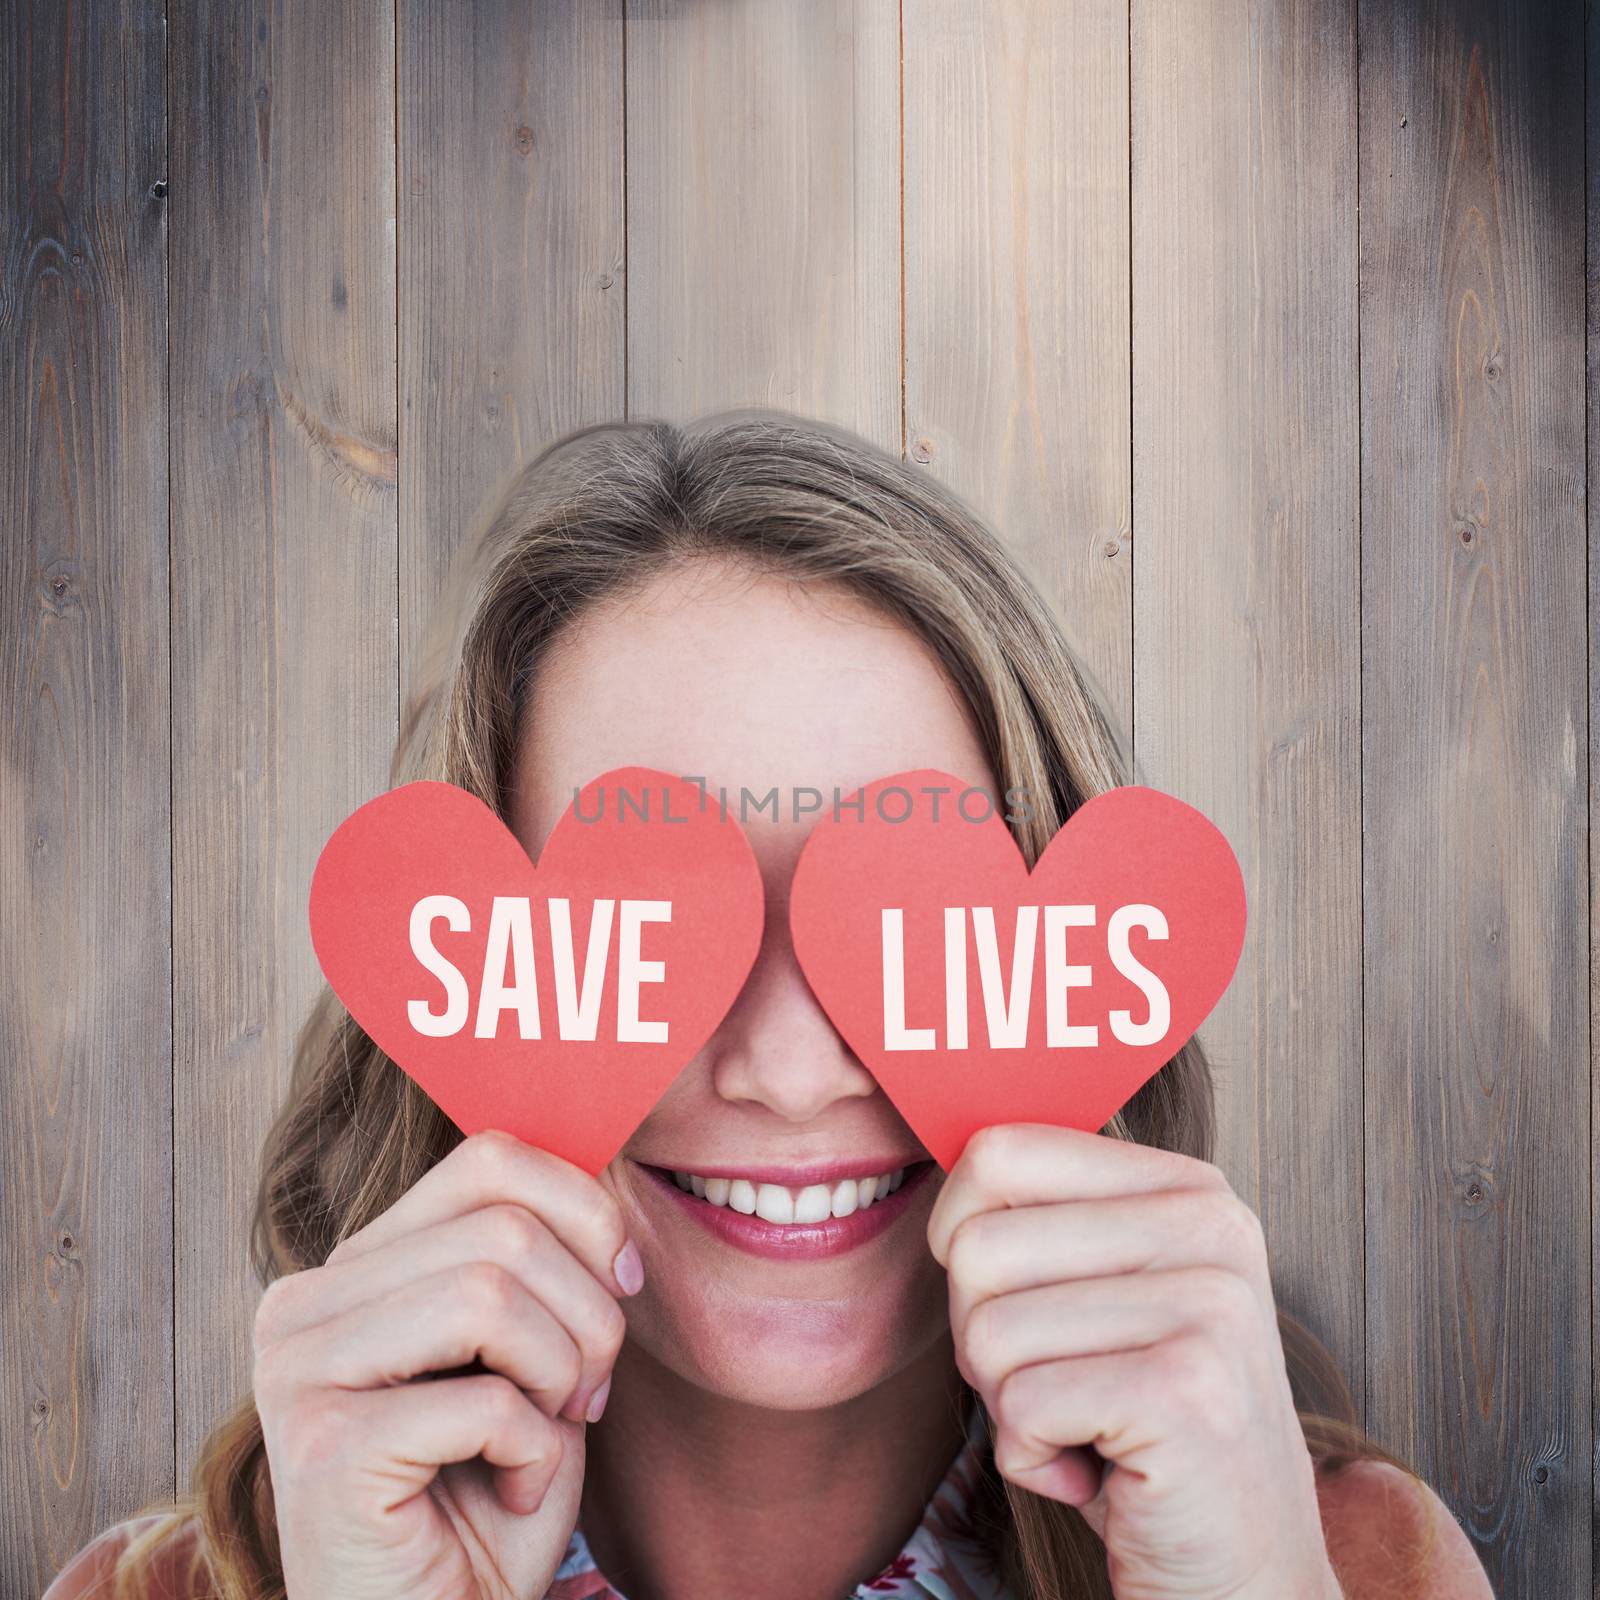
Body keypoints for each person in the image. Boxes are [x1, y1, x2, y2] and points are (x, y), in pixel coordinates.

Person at [46, 414, 1494, 1600]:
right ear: (468, 971)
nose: (794, 1071)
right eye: (663, 919)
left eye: (911, 914)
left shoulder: (1348, 1567)